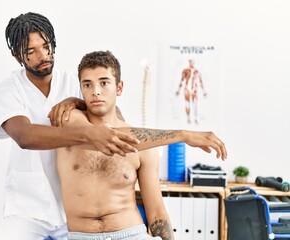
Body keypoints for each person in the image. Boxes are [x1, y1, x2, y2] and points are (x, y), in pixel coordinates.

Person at [0, 12, 140, 240]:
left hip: (74, 210)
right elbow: (25, 136)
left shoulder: (73, 82)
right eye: (30, 52)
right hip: (27, 210)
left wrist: (77, 102)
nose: (43, 56)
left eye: (46, 46)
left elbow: (113, 118)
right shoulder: (9, 89)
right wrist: (87, 134)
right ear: (16, 55)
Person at [55, 51, 227, 240]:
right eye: (87, 84)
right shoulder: (70, 123)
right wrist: (182, 135)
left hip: (131, 234)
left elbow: (157, 213)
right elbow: (108, 136)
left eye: (104, 83)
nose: (96, 91)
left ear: (119, 88)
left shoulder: (145, 147)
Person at [175, 59, 207, 124]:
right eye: (190, 62)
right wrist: (178, 90)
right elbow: (181, 81)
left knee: (195, 104)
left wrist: (203, 91)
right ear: (189, 63)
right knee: (187, 104)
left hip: (194, 89)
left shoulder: (197, 71)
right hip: (187, 89)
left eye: (192, 62)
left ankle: (195, 119)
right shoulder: (185, 71)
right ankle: (188, 118)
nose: (192, 63)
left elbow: (200, 81)